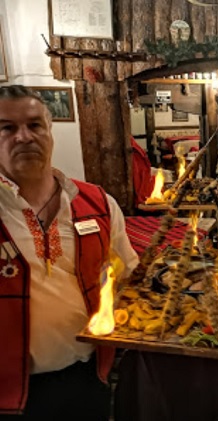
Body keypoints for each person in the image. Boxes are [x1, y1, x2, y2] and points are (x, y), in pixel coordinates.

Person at [0, 85, 138, 419]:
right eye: (6, 128)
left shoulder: (98, 202)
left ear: (50, 131)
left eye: (34, 125)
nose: (24, 137)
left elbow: (130, 278)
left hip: (88, 377)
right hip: (8, 393)